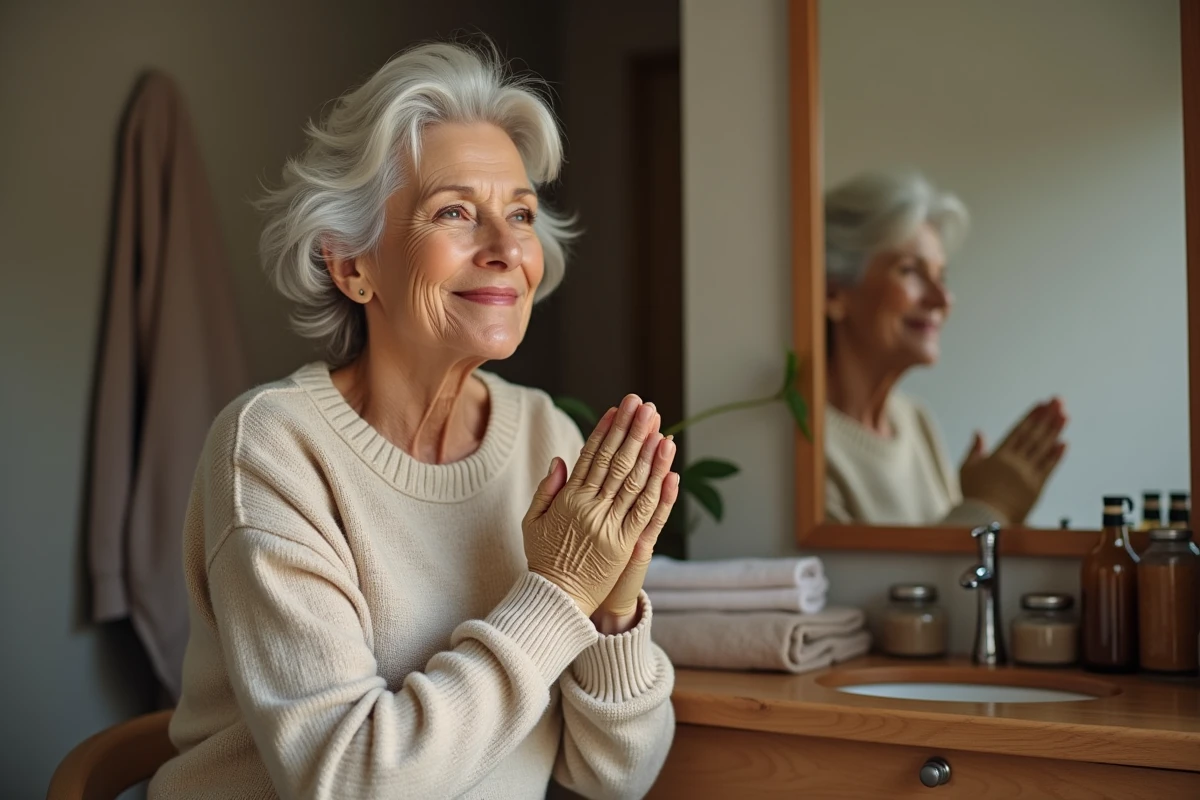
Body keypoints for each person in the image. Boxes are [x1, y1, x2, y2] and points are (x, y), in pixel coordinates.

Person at [150, 41, 679, 799]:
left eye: (521, 214)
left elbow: (616, 777)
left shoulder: (547, 439)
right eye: (455, 212)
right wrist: (561, 592)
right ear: (350, 264)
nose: (505, 248)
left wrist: (615, 613)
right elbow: (352, 781)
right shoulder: (274, 447)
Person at [823, 170, 1067, 526]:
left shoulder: (916, 422)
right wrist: (989, 504)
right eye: (909, 271)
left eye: (941, 276)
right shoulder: (805, 445)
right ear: (833, 293)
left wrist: (986, 504)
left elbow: (948, 564)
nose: (942, 299)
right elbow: (857, 583)